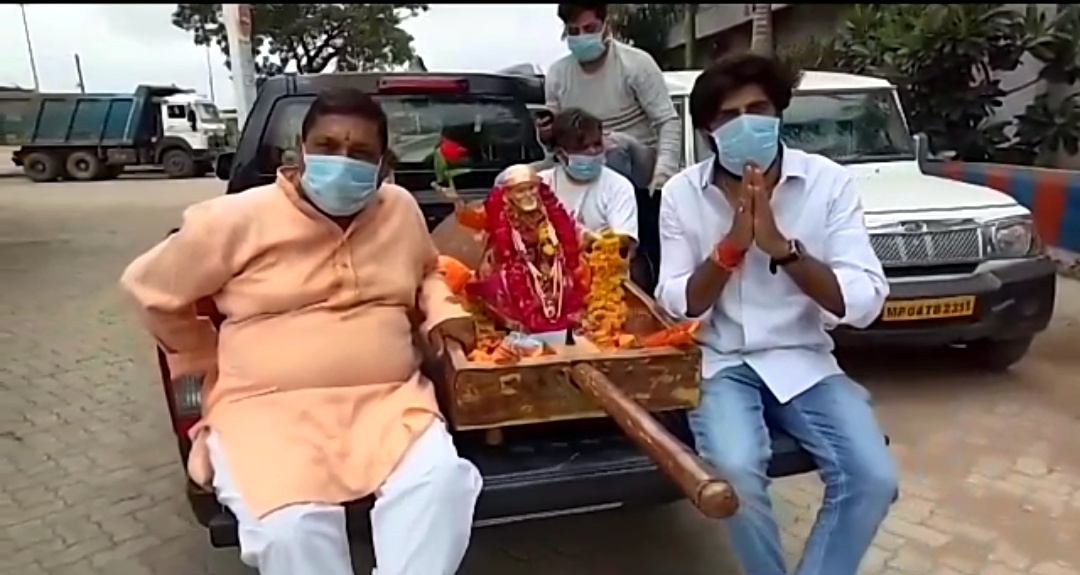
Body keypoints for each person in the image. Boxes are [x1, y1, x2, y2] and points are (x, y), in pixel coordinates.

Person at [120, 87, 483, 575]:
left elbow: (427, 273)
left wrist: (443, 311)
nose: (342, 161)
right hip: (267, 407)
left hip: (390, 401)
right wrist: (204, 357)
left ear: (383, 164)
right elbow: (150, 290)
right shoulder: (237, 218)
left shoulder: (398, 209)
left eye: (360, 153)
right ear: (300, 149)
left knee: (442, 486)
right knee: (288, 529)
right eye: (328, 146)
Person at [654, 53, 898, 575]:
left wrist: (783, 251)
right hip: (719, 362)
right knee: (736, 472)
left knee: (873, 477)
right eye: (727, 116)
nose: (745, 124)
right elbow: (677, 302)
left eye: (757, 109)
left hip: (802, 357)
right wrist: (731, 249)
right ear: (706, 130)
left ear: (779, 112)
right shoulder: (681, 194)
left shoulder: (828, 183)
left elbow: (863, 298)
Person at [542, 3, 681, 192]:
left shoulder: (636, 63)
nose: (581, 36)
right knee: (512, 178)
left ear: (606, 25)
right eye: (574, 31)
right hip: (578, 159)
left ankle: (614, 206)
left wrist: (663, 177)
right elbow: (555, 142)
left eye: (589, 29)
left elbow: (668, 121)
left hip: (635, 161)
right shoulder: (557, 74)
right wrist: (546, 135)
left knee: (612, 146)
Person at [537, 108, 638, 249]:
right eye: (582, 148)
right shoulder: (541, 184)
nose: (592, 152)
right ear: (561, 153)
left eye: (597, 144)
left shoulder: (619, 186)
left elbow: (625, 248)